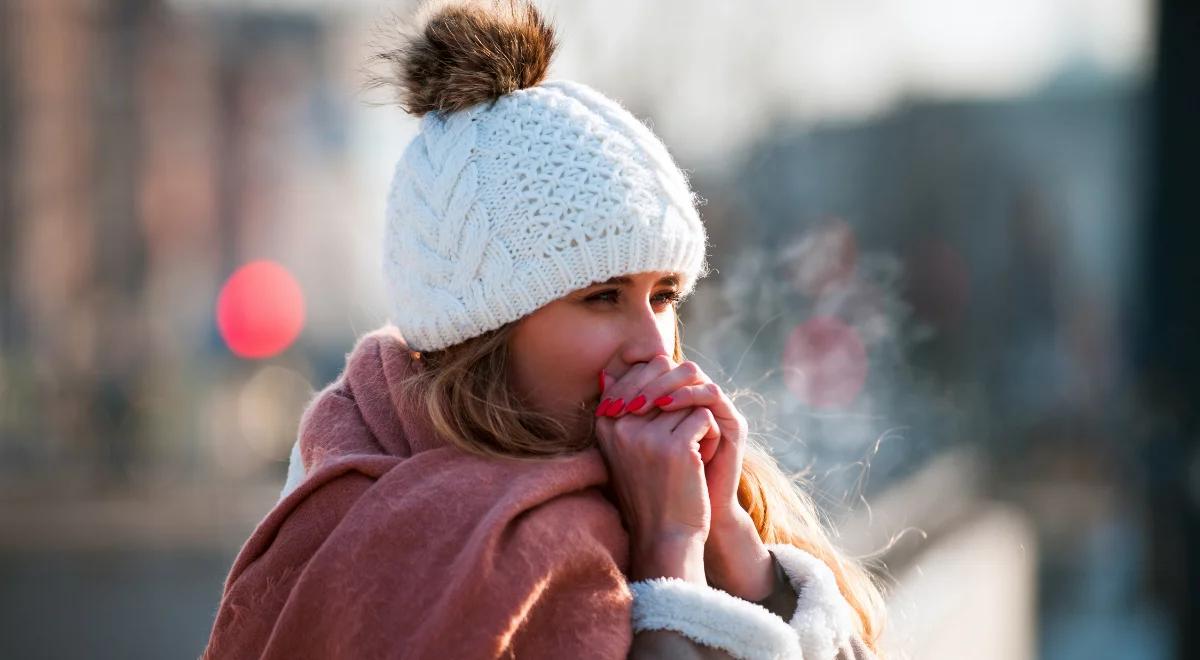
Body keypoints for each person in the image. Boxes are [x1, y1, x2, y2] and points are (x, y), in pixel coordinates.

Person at [203, 1, 887, 657]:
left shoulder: (693, 492)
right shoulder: (392, 534)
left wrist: (739, 551)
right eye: (603, 297)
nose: (652, 344)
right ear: (484, 335)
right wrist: (670, 560)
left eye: (664, 295)